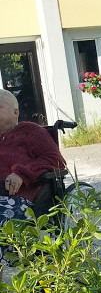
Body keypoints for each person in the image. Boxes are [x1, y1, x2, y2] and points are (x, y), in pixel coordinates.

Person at [0, 88, 66, 248]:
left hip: (20, 199)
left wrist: (22, 174)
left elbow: (55, 160)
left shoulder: (30, 131)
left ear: (15, 112)